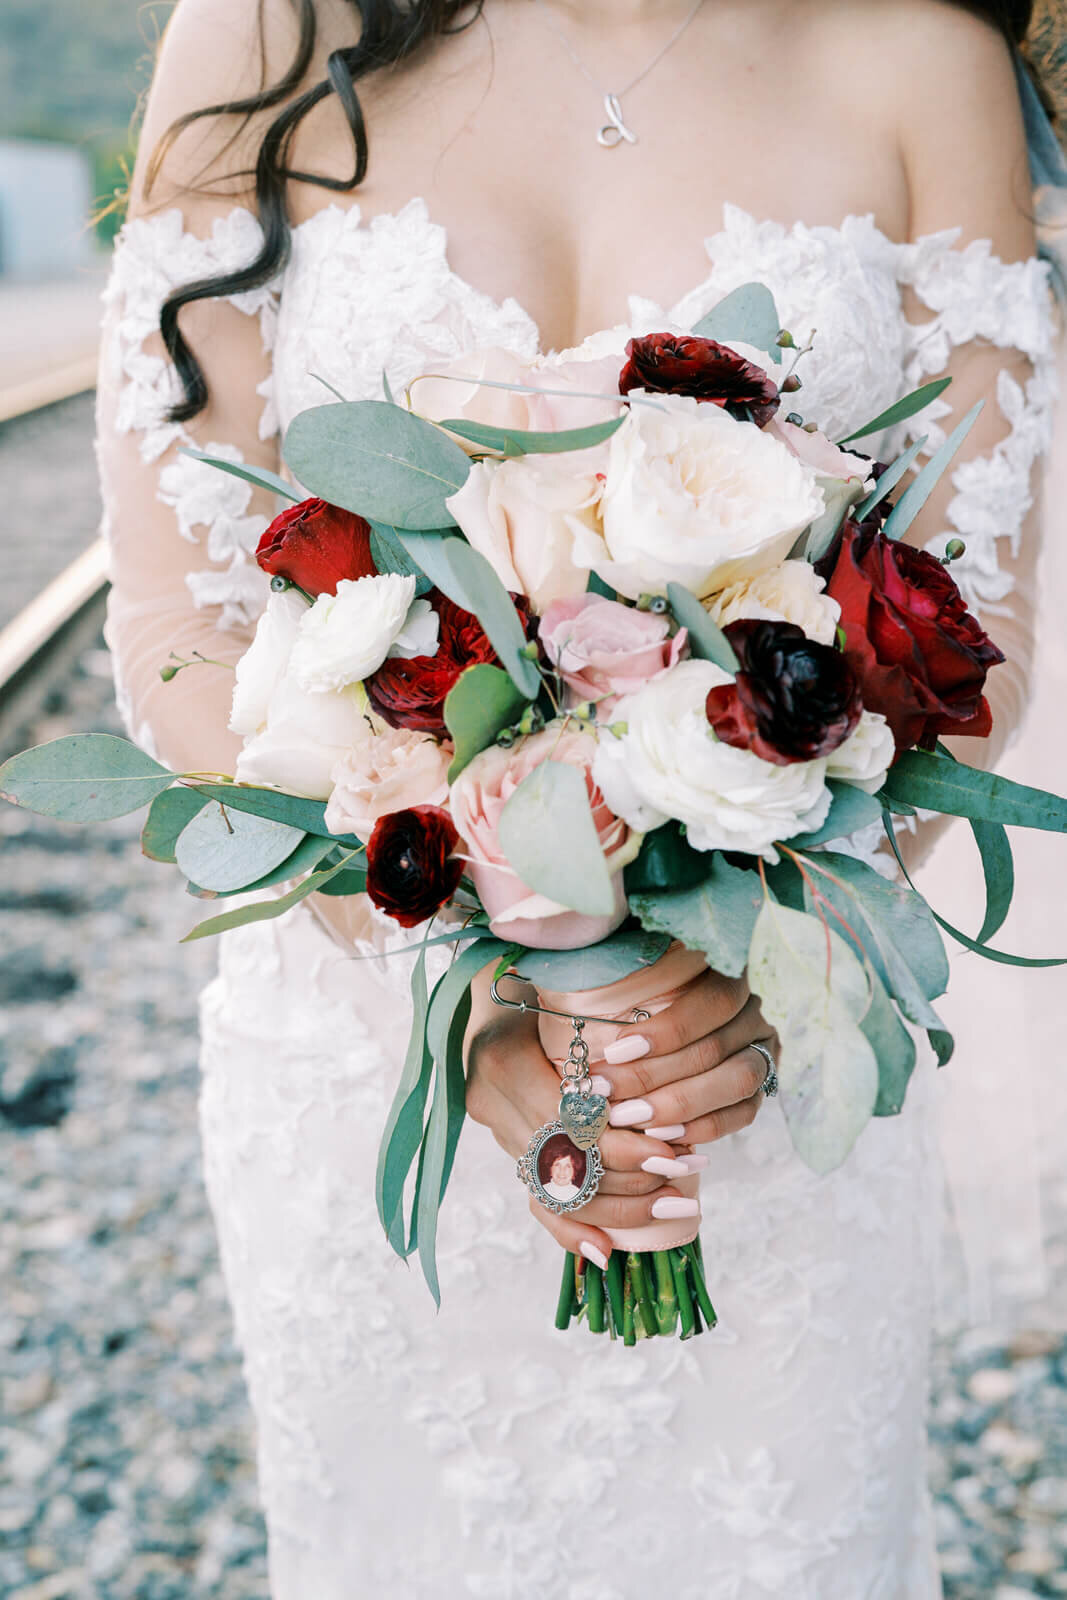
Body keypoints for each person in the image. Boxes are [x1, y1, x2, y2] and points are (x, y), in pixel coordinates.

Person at [96, 0, 1058, 1593]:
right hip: (373, 1042)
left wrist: (751, 959)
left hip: (743, 1065)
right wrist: (465, 977)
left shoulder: (920, 60)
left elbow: (975, 630)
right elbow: (174, 620)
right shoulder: (263, 30)